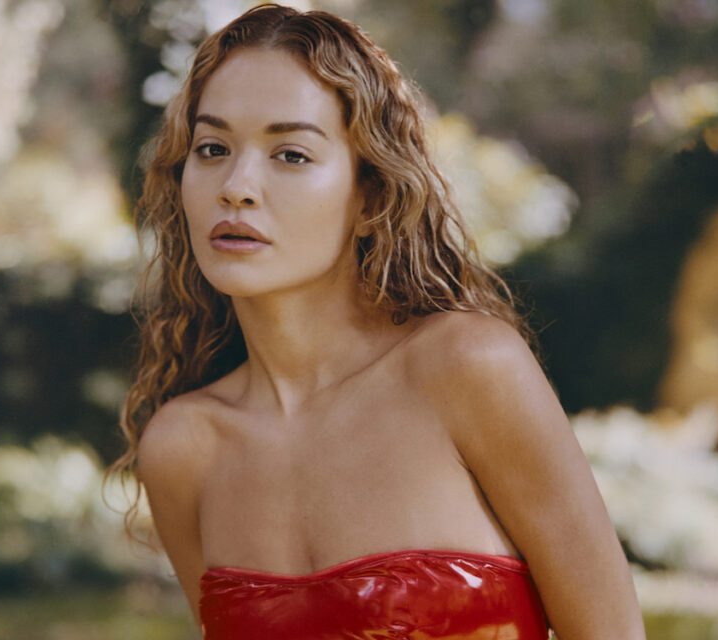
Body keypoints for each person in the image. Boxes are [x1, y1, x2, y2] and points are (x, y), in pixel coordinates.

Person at [111, 4, 645, 638]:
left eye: (291, 154)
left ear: (369, 191)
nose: (237, 185)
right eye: (212, 148)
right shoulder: (183, 449)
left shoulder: (466, 368)